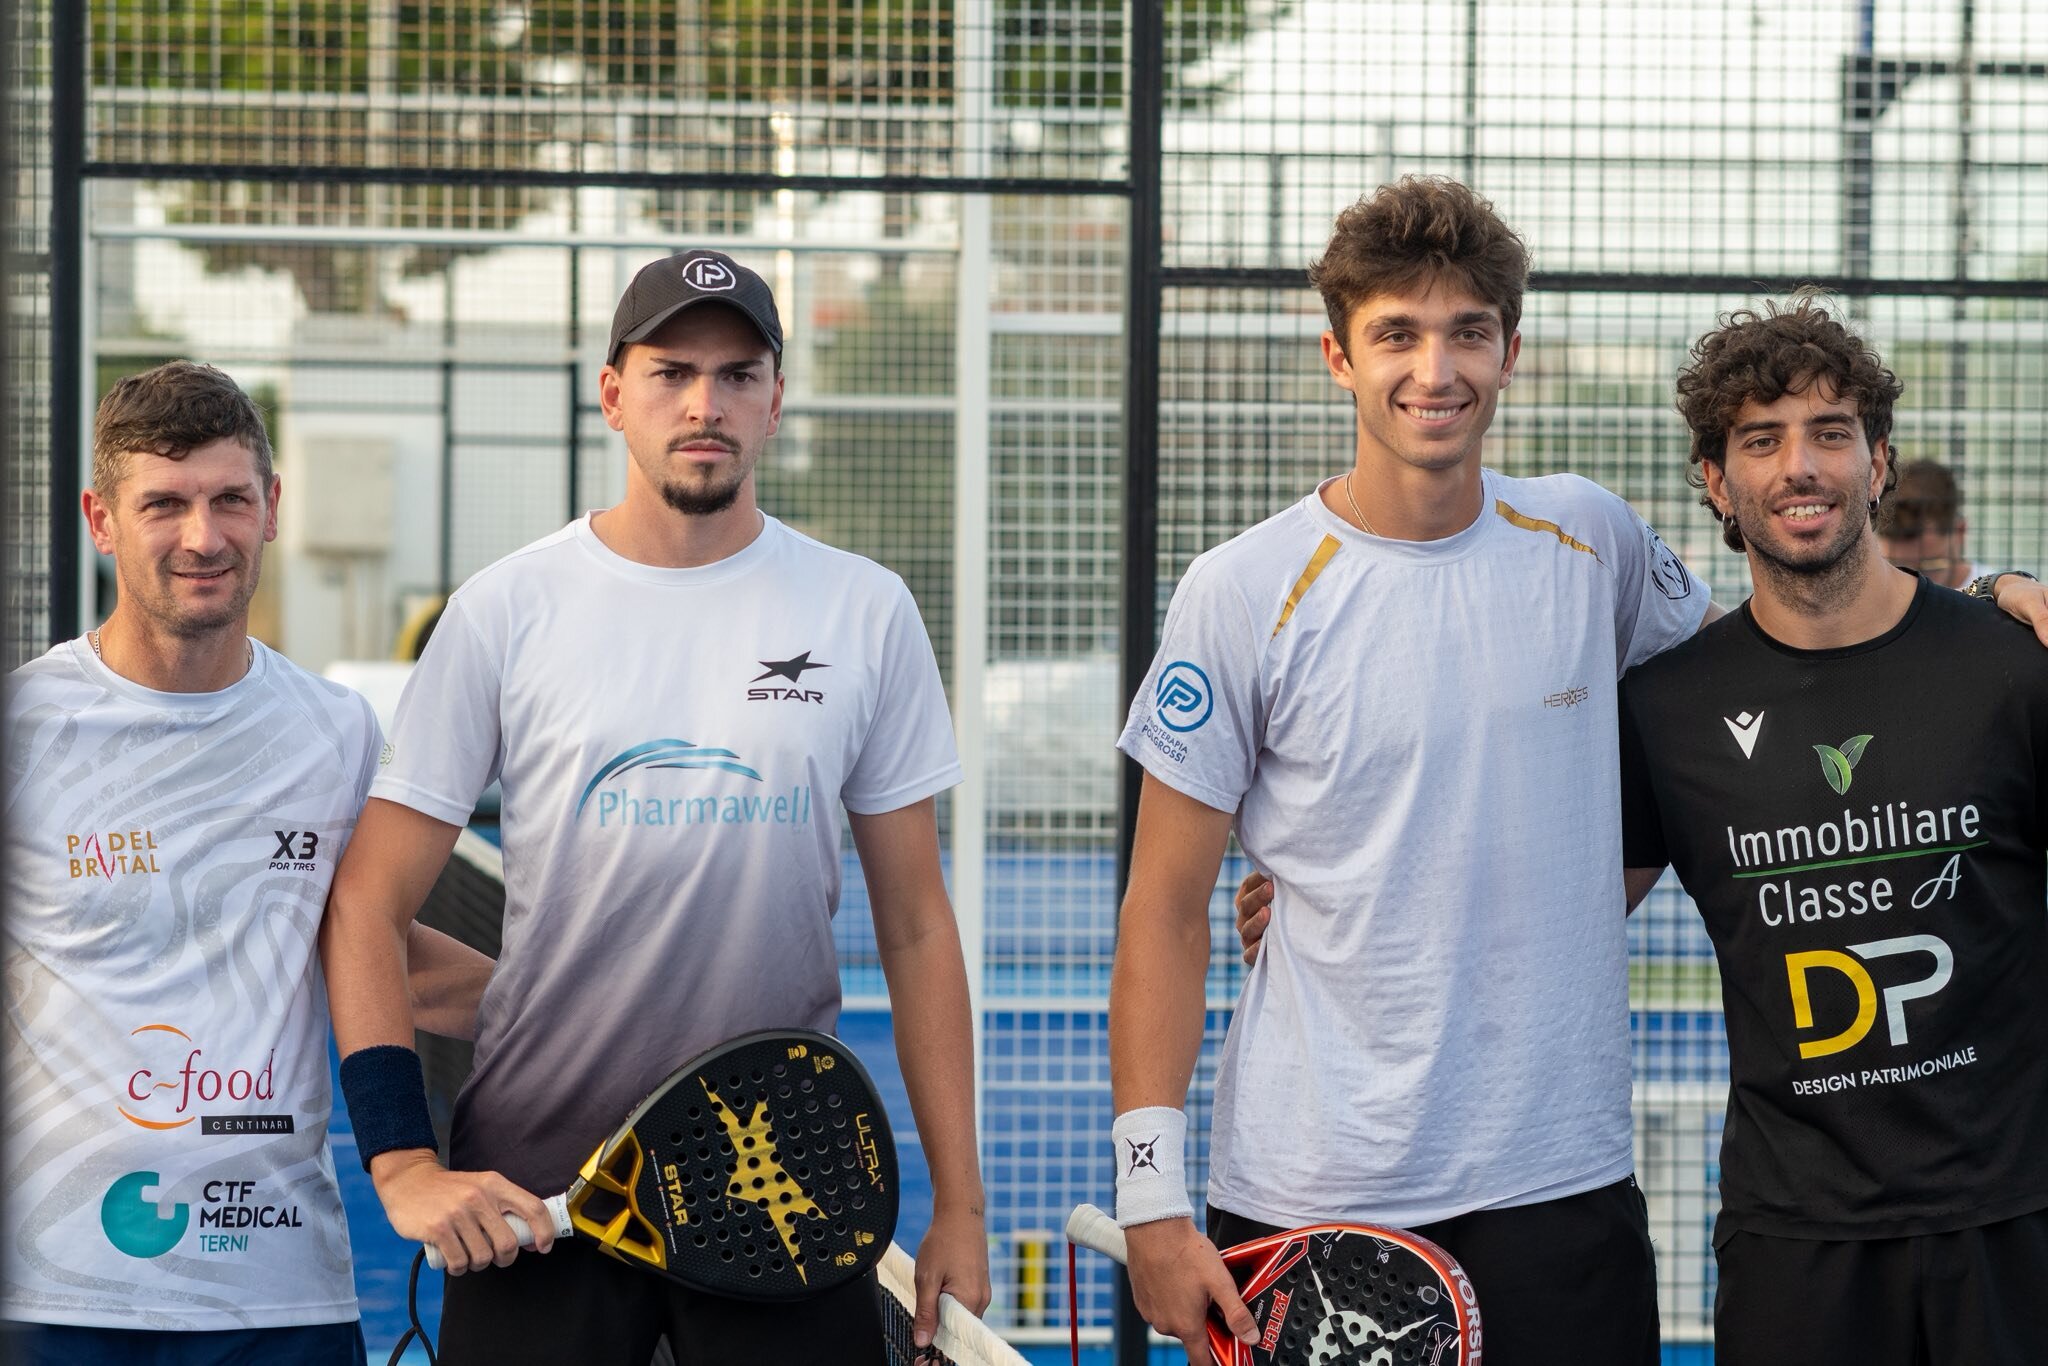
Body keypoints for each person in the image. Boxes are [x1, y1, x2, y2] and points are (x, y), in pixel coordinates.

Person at [318, 250, 991, 1365]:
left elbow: (917, 923)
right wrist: (400, 1160)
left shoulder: (864, 611)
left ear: (775, 398)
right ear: (612, 393)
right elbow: (366, 903)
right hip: (535, 1186)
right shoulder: (504, 609)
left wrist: (959, 1203)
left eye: (736, 375)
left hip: (777, 1187)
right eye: (672, 370)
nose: (703, 403)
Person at [1108, 177, 1715, 1366]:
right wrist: (1149, 1198)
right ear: (1338, 355)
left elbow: (1748, 688)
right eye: (1396, 333)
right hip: (1309, 1186)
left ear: (1510, 351)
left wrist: (1974, 604)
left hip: (1559, 1176)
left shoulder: (1589, 539)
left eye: (1466, 334)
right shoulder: (1240, 589)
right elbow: (1166, 908)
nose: (1433, 370)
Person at [1, 362, 491, 1365]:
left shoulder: (335, 731)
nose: (203, 536)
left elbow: (363, 947)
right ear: (101, 518)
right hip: (50, 1293)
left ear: (272, 507)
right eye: (163, 505)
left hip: (278, 1296)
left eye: (230, 498)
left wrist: (591, 1007)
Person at [1613, 301, 2048, 1364]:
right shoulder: (1662, 710)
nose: (1796, 466)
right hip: (1792, 1239)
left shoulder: (2008, 664)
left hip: (2012, 1216)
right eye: (1758, 441)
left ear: (1877, 461)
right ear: (1716, 482)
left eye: (1828, 433)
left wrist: (1996, 586)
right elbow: (1558, 906)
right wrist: (1323, 894)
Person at [1874, 457, 1976, 588]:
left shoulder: (1996, 597)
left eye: (1927, 568)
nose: (1912, 587)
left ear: (1959, 532)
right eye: (1896, 568)